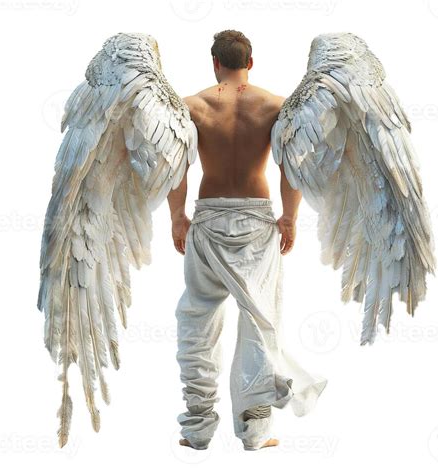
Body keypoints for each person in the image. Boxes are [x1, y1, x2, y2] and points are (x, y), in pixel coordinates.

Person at [167, 29, 327, 451]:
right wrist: (289, 217)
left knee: (198, 322)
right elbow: (291, 166)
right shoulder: (276, 106)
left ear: (215, 63)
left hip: (208, 217)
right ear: (250, 62)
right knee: (259, 323)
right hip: (257, 221)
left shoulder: (192, 105)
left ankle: (197, 430)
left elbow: (176, 167)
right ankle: (255, 433)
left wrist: (177, 218)